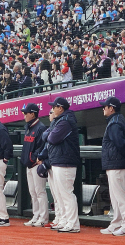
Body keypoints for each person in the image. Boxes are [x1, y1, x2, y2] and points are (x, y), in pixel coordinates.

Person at [99, 96, 125, 237]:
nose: (103, 109)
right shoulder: (115, 121)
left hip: (118, 164)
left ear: (111, 108)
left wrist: (121, 159)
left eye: (105, 107)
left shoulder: (115, 123)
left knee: (121, 196)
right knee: (115, 196)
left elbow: (121, 145)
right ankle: (117, 223)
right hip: (115, 164)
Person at [46, 97, 81, 233]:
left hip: (65, 161)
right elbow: (49, 136)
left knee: (66, 194)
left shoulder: (65, 121)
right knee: (61, 194)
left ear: (60, 108)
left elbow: (52, 138)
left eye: (54, 107)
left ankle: (73, 223)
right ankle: (67, 221)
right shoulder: (61, 120)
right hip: (59, 160)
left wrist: (49, 133)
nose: (52, 109)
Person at [20, 103, 48, 227]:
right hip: (29, 164)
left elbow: (41, 146)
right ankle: (36, 215)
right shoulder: (28, 127)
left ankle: (43, 218)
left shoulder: (40, 127)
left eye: (26, 113)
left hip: (37, 164)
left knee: (40, 191)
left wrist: (33, 158)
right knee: (33, 191)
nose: (24, 115)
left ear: (32, 113)